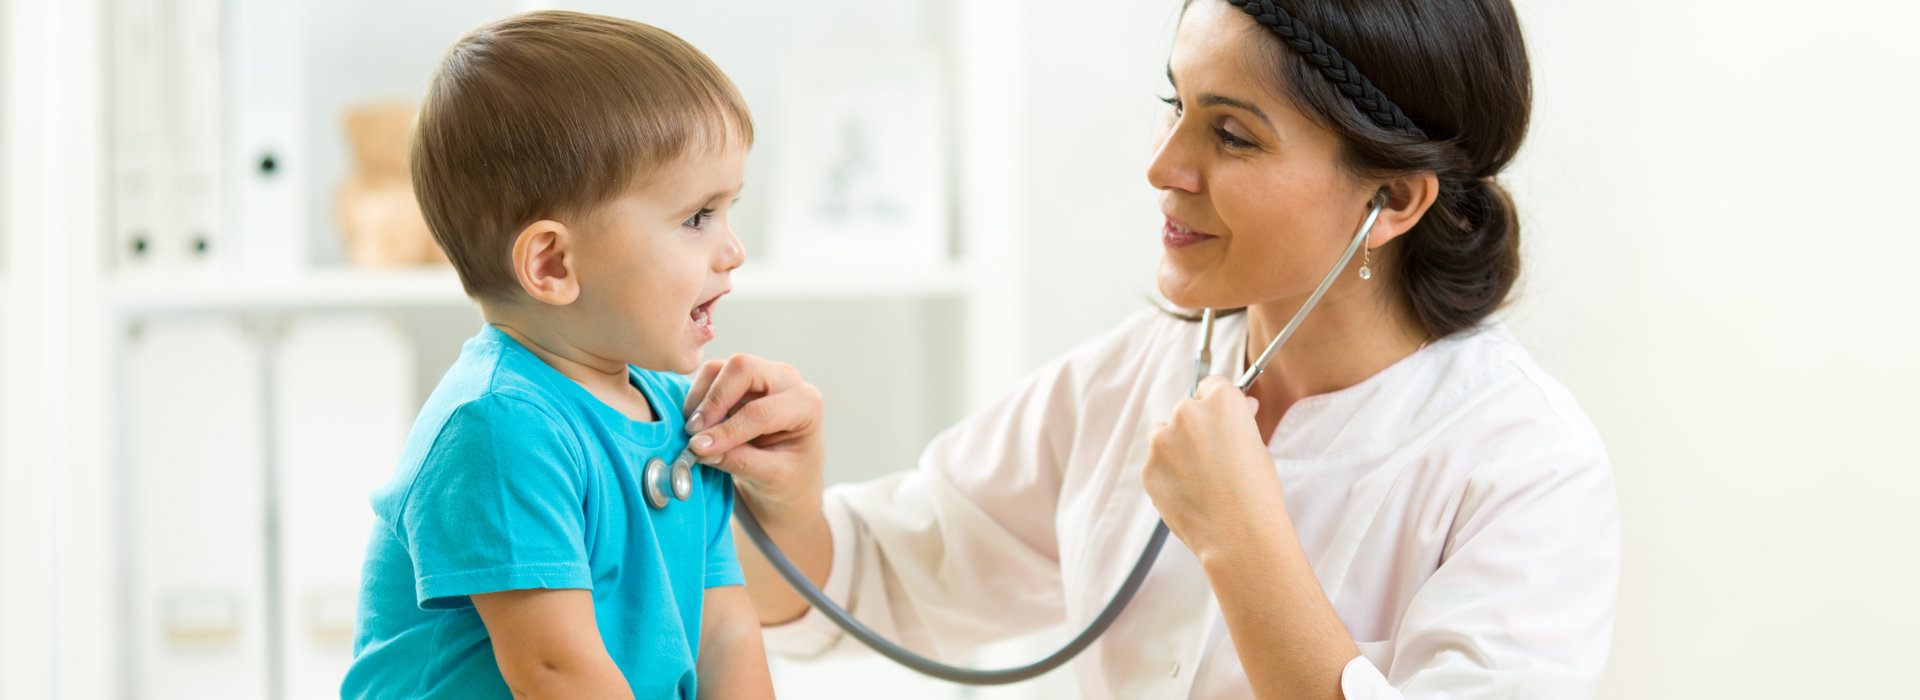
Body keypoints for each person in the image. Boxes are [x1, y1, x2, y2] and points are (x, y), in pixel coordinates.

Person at [677, 0, 1617, 698]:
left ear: (1395, 203)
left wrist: (1242, 541)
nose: (1164, 166)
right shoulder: (1136, 374)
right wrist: (785, 504)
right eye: (1176, 104)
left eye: (1233, 135)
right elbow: (888, 576)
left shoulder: (1525, 465)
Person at [341, 11, 773, 699]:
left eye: (728, 210)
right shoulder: (499, 426)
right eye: (698, 218)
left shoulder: (677, 416)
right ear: (551, 263)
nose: (732, 250)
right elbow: (557, 673)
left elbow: (724, 632)